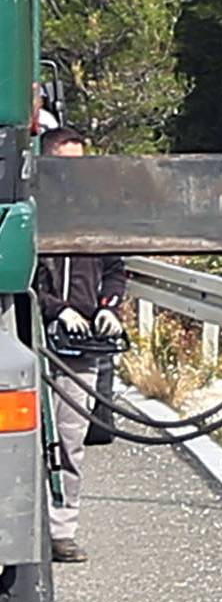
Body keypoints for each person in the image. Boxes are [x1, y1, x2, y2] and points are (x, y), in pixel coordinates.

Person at [32, 126, 127, 565]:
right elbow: (22, 275)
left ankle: (61, 530)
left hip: (80, 347)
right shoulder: (31, 212)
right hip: (33, 339)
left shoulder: (95, 214)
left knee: (70, 440)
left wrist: (108, 308)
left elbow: (114, 267)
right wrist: (54, 308)